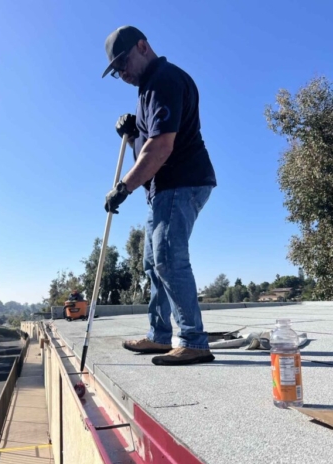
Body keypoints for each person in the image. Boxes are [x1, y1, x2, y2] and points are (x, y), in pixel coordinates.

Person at [102, 26, 217, 366]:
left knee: (168, 256)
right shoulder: (148, 90)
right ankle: (159, 336)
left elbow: (161, 146)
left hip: (181, 181)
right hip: (163, 188)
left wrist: (123, 187)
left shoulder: (163, 80)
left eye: (123, 63)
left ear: (142, 46)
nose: (122, 73)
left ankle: (193, 340)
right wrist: (133, 128)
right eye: (116, 70)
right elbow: (148, 137)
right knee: (153, 263)